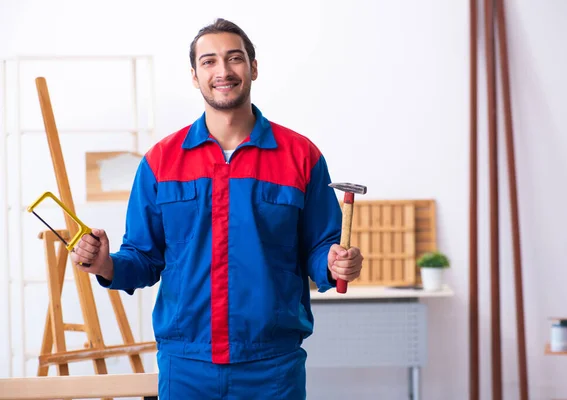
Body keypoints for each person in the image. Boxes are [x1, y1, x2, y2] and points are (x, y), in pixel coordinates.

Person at [70, 18, 364, 399]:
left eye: (234, 58)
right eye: (209, 61)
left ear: (253, 68)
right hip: (187, 366)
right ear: (195, 76)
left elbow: (320, 245)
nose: (222, 71)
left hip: (272, 367)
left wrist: (334, 262)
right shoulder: (162, 161)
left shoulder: (300, 157)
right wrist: (104, 264)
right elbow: (143, 257)